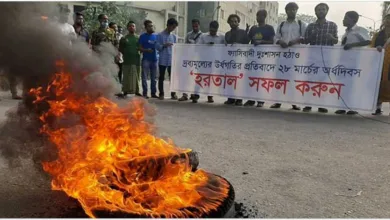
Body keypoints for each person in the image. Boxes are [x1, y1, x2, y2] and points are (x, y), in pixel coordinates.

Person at [334, 11, 371, 115]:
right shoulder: (346, 32)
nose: (343, 20)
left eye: (346, 18)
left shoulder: (360, 30)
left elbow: (368, 41)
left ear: (353, 20)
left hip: (356, 63)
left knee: (353, 86)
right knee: (344, 85)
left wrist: (352, 45)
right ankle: (342, 106)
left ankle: (352, 107)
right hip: (344, 63)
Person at [303, 3, 338, 113]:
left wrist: (331, 37)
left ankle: (321, 104)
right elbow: (305, 41)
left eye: (323, 9)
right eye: (319, 9)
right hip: (312, 58)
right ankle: (308, 104)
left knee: (322, 81)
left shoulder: (332, 25)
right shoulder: (311, 26)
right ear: (315, 12)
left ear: (327, 11)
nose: (321, 11)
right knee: (310, 80)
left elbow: (336, 41)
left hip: (326, 58)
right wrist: (311, 37)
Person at [272, 2, 306, 111]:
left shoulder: (301, 24)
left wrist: (296, 40)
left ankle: (294, 103)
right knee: (280, 79)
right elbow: (275, 38)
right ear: (286, 11)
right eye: (289, 9)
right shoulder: (282, 24)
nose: (292, 11)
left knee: (293, 79)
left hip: (296, 57)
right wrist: (280, 41)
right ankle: (277, 102)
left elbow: (305, 38)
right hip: (282, 55)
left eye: (294, 9)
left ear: (297, 10)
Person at [244, 9, 275, 108]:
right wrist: (246, 31)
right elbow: (248, 40)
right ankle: (251, 99)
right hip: (253, 58)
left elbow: (272, 42)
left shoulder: (269, 28)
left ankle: (261, 100)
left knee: (262, 79)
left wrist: (261, 42)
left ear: (265, 17)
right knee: (252, 78)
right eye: (257, 16)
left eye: (261, 16)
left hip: (264, 58)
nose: (259, 18)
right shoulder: (253, 28)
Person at [194, 20, 226, 104]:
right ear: (209, 28)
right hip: (204, 61)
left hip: (215, 62)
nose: (212, 32)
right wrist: (207, 45)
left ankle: (210, 96)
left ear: (217, 29)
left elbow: (227, 47)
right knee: (200, 77)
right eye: (211, 30)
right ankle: (196, 95)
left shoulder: (222, 37)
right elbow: (197, 46)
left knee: (212, 79)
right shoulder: (203, 36)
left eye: (214, 31)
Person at [224, 14, 250, 106]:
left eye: (235, 21)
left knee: (239, 80)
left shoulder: (243, 32)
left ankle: (239, 99)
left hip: (240, 60)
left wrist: (238, 43)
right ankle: (230, 98)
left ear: (238, 22)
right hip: (230, 60)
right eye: (231, 21)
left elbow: (246, 43)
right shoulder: (227, 34)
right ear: (229, 23)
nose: (233, 23)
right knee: (230, 79)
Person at [179, 19, 203, 102]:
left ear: (199, 25)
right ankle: (185, 94)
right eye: (193, 26)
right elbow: (184, 46)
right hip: (189, 59)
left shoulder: (202, 36)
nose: (195, 27)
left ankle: (194, 95)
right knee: (186, 77)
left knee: (195, 78)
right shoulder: (188, 34)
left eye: (196, 26)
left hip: (197, 60)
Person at [371, 12, 390, 115]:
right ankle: (378, 107)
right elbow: (372, 46)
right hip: (379, 63)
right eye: (387, 19)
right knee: (379, 85)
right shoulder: (378, 34)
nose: (388, 21)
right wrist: (376, 48)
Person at [156, 18, 178, 100]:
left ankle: (173, 93)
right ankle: (161, 93)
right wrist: (164, 45)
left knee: (172, 77)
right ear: (168, 25)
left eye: (174, 27)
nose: (173, 29)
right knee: (161, 77)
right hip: (163, 59)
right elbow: (157, 47)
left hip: (171, 60)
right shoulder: (160, 35)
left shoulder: (174, 36)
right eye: (173, 27)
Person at [118, 21, 141, 97]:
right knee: (126, 76)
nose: (132, 27)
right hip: (127, 60)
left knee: (137, 76)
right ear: (127, 28)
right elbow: (120, 48)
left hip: (136, 60)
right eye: (130, 26)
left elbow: (141, 48)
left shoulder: (138, 38)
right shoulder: (124, 38)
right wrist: (126, 53)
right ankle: (125, 91)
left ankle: (137, 91)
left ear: (135, 28)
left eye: (133, 26)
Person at [139, 20, 159, 99]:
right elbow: (139, 48)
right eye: (150, 26)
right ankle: (145, 93)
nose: (151, 27)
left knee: (154, 78)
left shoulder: (156, 36)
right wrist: (146, 50)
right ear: (146, 27)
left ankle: (153, 93)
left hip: (155, 59)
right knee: (144, 77)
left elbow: (159, 46)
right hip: (146, 60)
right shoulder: (142, 36)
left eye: (152, 25)